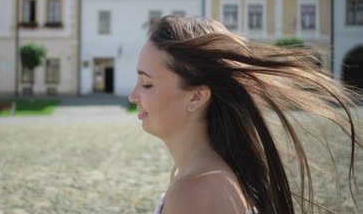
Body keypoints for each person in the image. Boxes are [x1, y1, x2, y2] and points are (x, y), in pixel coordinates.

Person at [128, 15, 362, 214]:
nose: (133, 96)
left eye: (146, 83)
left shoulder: (195, 192)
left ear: (196, 97)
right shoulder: (194, 174)